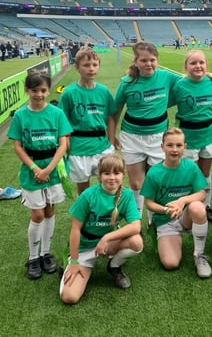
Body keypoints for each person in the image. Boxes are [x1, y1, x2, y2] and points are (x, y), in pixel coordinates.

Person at [8, 72, 72, 280]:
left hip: (53, 169)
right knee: (37, 215)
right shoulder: (20, 115)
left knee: (50, 211)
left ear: (48, 90)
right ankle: (33, 257)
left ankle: (46, 253)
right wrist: (36, 169)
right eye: (34, 90)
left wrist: (48, 169)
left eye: (43, 90)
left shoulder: (56, 113)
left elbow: (63, 144)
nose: (39, 94)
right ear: (27, 90)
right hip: (32, 171)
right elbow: (18, 146)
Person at [60, 155, 143, 304]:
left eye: (116, 173)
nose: (112, 178)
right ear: (99, 175)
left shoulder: (127, 195)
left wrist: (106, 238)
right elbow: (75, 229)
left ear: (123, 175)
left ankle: (114, 266)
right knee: (69, 297)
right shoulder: (88, 195)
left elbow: (136, 226)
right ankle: (68, 265)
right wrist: (74, 261)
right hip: (84, 247)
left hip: (107, 244)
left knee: (137, 242)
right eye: (107, 173)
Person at [113, 42, 181, 217]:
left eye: (152, 60)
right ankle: (136, 221)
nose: (148, 64)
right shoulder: (127, 82)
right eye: (144, 60)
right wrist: (110, 134)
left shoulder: (166, 77)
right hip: (132, 136)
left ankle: (153, 221)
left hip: (158, 137)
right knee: (136, 184)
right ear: (136, 61)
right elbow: (116, 110)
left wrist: (208, 75)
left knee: (155, 181)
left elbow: (190, 81)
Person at [141, 128, 212, 279]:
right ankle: (170, 237)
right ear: (162, 147)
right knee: (170, 263)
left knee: (198, 207)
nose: (174, 149)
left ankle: (199, 255)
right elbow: (149, 203)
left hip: (186, 216)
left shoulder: (191, 167)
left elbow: (201, 194)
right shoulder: (154, 172)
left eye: (179, 145)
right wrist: (167, 210)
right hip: (165, 220)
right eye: (170, 145)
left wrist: (182, 201)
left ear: (185, 147)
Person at [169, 50, 212, 224]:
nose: (198, 66)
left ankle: (205, 206)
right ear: (186, 67)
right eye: (193, 63)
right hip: (188, 137)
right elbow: (164, 104)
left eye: (201, 63)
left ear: (206, 65)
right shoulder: (179, 86)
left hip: (208, 134)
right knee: (189, 174)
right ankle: (187, 207)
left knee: (205, 173)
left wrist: (209, 75)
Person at [58, 47, 117, 194]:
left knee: (108, 185)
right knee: (83, 190)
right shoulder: (69, 93)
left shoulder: (103, 91)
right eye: (86, 65)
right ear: (77, 67)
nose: (91, 69)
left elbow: (110, 118)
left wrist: (110, 141)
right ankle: (85, 215)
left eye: (95, 65)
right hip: (79, 148)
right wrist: (68, 147)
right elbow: (62, 123)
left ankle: (103, 215)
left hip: (101, 145)